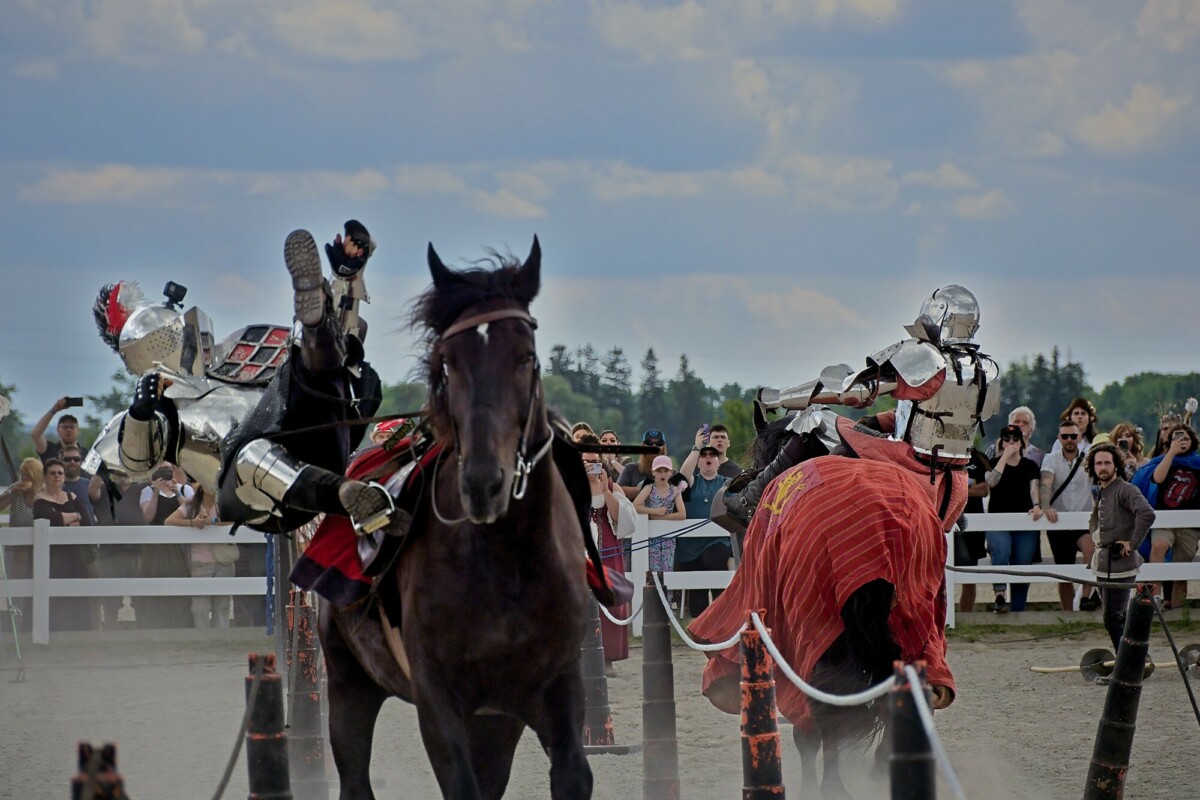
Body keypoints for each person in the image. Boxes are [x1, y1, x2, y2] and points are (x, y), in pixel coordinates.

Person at [89, 222, 397, 543]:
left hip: (313, 440)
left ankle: (327, 305)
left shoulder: (238, 348)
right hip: (260, 499)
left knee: (303, 354)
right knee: (252, 455)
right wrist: (140, 414)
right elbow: (136, 463)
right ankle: (352, 499)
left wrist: (345, 284)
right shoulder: (163, 409)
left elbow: (332, 363)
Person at [725, 284, 1000, 535]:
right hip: (951, 489)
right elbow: (935, 422)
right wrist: (878, 422)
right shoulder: (985, 371)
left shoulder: (928, 360)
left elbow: (853, 392)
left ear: (939, 318)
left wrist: (778, 398)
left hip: (911, 467)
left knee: (814, 419)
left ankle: (749, 500)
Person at [1087, 442, 1156, 657]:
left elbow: (1147, 513)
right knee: (1117, 616)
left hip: (1120, 563)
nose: (1103, 467)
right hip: (1104, 561)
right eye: (1098, 463)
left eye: (1107, 462)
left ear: (1116, 465)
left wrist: (1132, 543)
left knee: (1114, 617)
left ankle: (1127, 663)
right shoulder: (1103, 491)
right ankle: (1136, 657)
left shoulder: (1125, 489)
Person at [579, 434, 636, 673]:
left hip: (608, 552)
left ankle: (608, 657)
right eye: (585, 461)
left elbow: (625, 522)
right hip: (581, 552)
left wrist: (605, 490)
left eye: (593, 461)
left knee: (609, 602)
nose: (589, 466)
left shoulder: (613, 486)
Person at [1135, 422, 1200, 609]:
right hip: (1164, 520)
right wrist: (1171, 453)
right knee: (1159, 546)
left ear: (1192, 441)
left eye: (1185, 438)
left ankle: (1178, 612)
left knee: (1181, 568)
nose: (1181, 442)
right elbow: (1158, 478)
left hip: (1190, 525)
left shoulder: (1197, 463)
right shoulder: (1163, 461)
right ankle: (1154, 600)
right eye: (1176, 439)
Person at [1034, 421, 1098, 611]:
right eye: (1065, 436)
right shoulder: (1051, 459)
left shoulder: (1089, 460)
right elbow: (1046, 483)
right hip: (1058, 522)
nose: (1069, 440)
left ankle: (1085, 596)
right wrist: (1046, 506)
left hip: (1082, 520)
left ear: (1079, 438)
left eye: (1073, 436)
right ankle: (1068, 613)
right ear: (1059, 438)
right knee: (1064, 570)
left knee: (1090, 548)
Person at [984, 424, 1041, 613]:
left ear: (1021, 442)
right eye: (1007, 439)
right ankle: (999, 595)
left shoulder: (1030, 465)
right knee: (1001, 549)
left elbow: (1034, 489)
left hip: (1024, 521)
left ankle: (1018, 608)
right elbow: (991, 482)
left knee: (1023, 562)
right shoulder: (992, 462)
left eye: (1015, 439)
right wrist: (1005, 458)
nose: (1011, 442)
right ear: (1001, 441)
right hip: (997, 520)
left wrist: (1036, 506)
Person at [32, 458, 93, 630]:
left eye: (60, 473)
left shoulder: (71, 497)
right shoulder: (40, 500)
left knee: (77, 594)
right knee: (55, 596)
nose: (56, 477)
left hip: (75, 555)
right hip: (53, 557)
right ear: (45, 477)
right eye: (52, 473)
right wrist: (75, 517)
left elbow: (87, 520)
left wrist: (64, 519)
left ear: (64, 477)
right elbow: (49, 520)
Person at [165, 482, 236, 628]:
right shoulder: (191, 505)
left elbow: (235, 520)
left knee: (222, 605)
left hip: (223, 560)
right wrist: (192, 522)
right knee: (200, 607)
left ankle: (221, 637)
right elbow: (169, 521)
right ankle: (203, 637)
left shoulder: (224, 503)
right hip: (199, 561)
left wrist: (213, 521)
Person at [674, 444, 732, 617]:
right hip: (689, 546)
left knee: (714, 561)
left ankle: (722, 619)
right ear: (698, 461)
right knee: (697, 593)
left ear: (718, 462)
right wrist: (696, 447)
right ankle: (700, 629)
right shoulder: (691, 483)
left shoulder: (726, 484)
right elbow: (682, 476)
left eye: (712, 455)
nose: (708, 457)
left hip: (718, 540)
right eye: (704, 455)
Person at [136, 464, 193, 628]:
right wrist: (155, 492)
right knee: (152, 582)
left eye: (168, 470)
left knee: (180, 584)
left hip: (179, 546)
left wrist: (177, 492)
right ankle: (153, 624)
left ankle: (181, 624)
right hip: (155, 546)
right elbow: (148, 517)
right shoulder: (147, 491)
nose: (165, 473)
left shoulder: (186, 489)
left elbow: (190, 511)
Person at [87, 467, 146, 629]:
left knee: (141, 600)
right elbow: (92, 491)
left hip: (138, 552)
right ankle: (110, 636)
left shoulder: (142, 488)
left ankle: (143, 634)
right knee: (110, 602)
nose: (123, 474)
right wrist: (103, 467)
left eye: (126, 470)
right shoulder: (105, 489)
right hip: (109, 553)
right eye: (118, 470)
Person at [0, 457, 43, 630]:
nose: (25, 478)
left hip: (37, 549)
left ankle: (34, 625)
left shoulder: (44, 492)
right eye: (23, 474)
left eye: (29, 475)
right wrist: (13, 493)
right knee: (16, 588)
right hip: (15, 549)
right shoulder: (16, 489)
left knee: (37, 586)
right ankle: (16, 625)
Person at [633, 454, 685, 572]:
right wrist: (654, 511)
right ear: (653, 472)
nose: (662, 474)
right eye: (659, 471)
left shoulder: (675, 490)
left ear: (670, 472)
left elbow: (682, 514)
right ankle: (653, 591)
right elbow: (635, 506)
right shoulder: (649, 488)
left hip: (669, 536)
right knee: (653, 570)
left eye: (665, 471)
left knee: (667, 569)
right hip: (651, 535)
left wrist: (663, 517)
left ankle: (667, 591)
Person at [955, 448, 990, 613]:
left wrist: (958, 490)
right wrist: (971, 488)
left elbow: (984, 489)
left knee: (969, 577)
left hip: (973, 524)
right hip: (949, 522)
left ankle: (965, 616)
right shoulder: (943, 455)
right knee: (940, 577)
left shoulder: (979, 457)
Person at [30, 400, 90, 466]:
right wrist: (54, 410)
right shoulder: (50, 450)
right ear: (58, 430)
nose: (68, 430)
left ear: (78, 430)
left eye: (72, 427)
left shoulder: (88, 455)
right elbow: (35, 434)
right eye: (65, 427)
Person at [617, 428, 670, 500]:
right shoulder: (631, 469)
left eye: (659, 444)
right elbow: (618, 492)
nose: (654, 446)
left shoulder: (671, 473)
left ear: (664, 447)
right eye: (649, 443)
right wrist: (646, 488)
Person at [58, 444, 95, 526]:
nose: (72, 462)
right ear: (60, 462)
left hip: (89, 536)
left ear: (81, 462)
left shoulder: (90, 486)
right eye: (67, 459)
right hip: (61, 536)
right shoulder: (54, 487)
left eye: (76, 459)